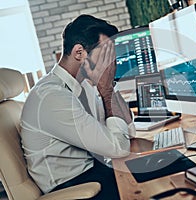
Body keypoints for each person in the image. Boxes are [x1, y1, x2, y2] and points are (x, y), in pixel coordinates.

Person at [20, 14, 135, 200]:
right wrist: (105, 91)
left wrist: (110, 86)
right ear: (79, 53)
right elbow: (119, 148)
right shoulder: (52, 97)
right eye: (104, 54)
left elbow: (128, 132)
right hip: (74, 189)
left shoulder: (84, 86)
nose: (110, 63)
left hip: (94, 173)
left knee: (171, 166)